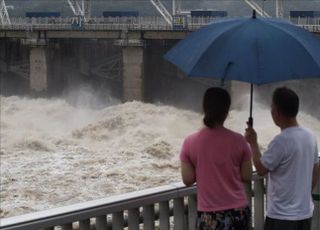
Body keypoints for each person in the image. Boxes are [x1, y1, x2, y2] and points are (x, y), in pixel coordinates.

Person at [245, 87, 320, 230]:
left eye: (272, 106)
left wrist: (253, 143)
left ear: (276, 111)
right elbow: (316, 168)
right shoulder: (310, 135)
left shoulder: (281, 141)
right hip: (305, 213)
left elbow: (260, 169)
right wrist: (305, 193)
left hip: (282, 217)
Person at [180, 87, 253, 230]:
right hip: (238, 212)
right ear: (226, 112)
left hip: (209, 215)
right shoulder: (239, 140)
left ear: (204, 108)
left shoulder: (190, 142)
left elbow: (187, 180)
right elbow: (247, 176)